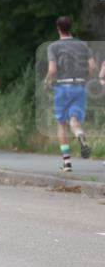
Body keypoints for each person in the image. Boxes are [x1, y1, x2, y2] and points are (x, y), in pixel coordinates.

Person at [44, 16, 95, 171]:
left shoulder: (53, 47)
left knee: (62, 124)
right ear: (71, 27)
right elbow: (92, 66)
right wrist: (87, 79)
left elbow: (52, 70)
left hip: (62, 87)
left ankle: (67, 163)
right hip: (79, 85)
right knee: (74, 121)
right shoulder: (83, 45)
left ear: (58, 28)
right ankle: (80, 135)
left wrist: (47, 82)